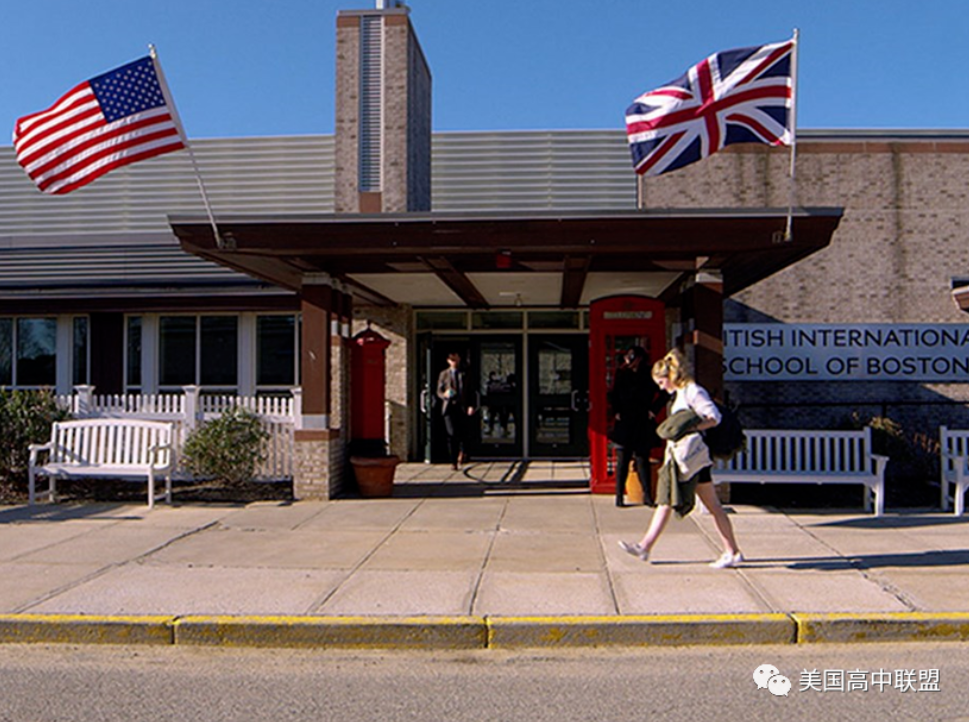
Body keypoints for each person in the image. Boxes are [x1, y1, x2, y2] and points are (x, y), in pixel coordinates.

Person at [618, 348, 744, 569]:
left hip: (692, 457)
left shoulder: (692, 391)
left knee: (671, 500)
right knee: (701, 505)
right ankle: (731, 551)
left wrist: (690, 428)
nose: (660, 386)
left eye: (661, 381)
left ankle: (645, 546)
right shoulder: (681, 394)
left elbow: (714, 417)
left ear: (671, 376)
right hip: (687, 458)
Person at [608, 346, 667, 507]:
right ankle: (619, 496)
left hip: (642, 419)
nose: (628, 360)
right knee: (622, 461)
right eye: (627, 357)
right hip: (625, 419)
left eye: (631, 357)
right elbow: (613, 394)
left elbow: (665, 392)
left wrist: (653, 410)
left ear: (639, 358)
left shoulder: (649, 374)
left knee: (642, 460)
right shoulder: (622, 373)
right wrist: (616, 411)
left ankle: (647, 496)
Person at [437, 352, 474, 470]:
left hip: (462, 407)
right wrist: (444, 395)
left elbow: (470, 391)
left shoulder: (465, 373)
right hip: (449, 408)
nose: (454, 362)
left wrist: (471, 405)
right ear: (448, 361)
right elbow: (438, 391)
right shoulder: (443, 374)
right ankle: (453, 461)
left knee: (463, 433)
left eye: (456, 360)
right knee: (452, 434)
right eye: (452, 360)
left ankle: (463, 453)